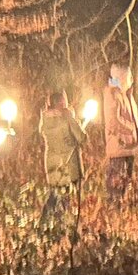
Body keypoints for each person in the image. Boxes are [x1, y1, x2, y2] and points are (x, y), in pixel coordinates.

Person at [39, 91, 85, 233]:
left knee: (55, 194)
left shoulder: (45, 119)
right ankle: (62, 226)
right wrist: (74, 120)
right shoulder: (66, 117)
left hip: (52, 163)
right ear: (61, 103)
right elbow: (81, 137)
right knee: (65, 195)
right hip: (68, 162)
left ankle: (48, 223)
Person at [103, 63, 138, 201]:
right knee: (117, 181)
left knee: (127, 181)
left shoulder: (126, 94)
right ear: (122, 78)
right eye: (129, 76)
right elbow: (113, 121)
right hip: (119, 146)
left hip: (129, 146)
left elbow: (125, 116)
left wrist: (137, 121)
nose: (132, 79)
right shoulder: (113, 95)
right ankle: (115, 206)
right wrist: (132, 128)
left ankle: (123, 205)